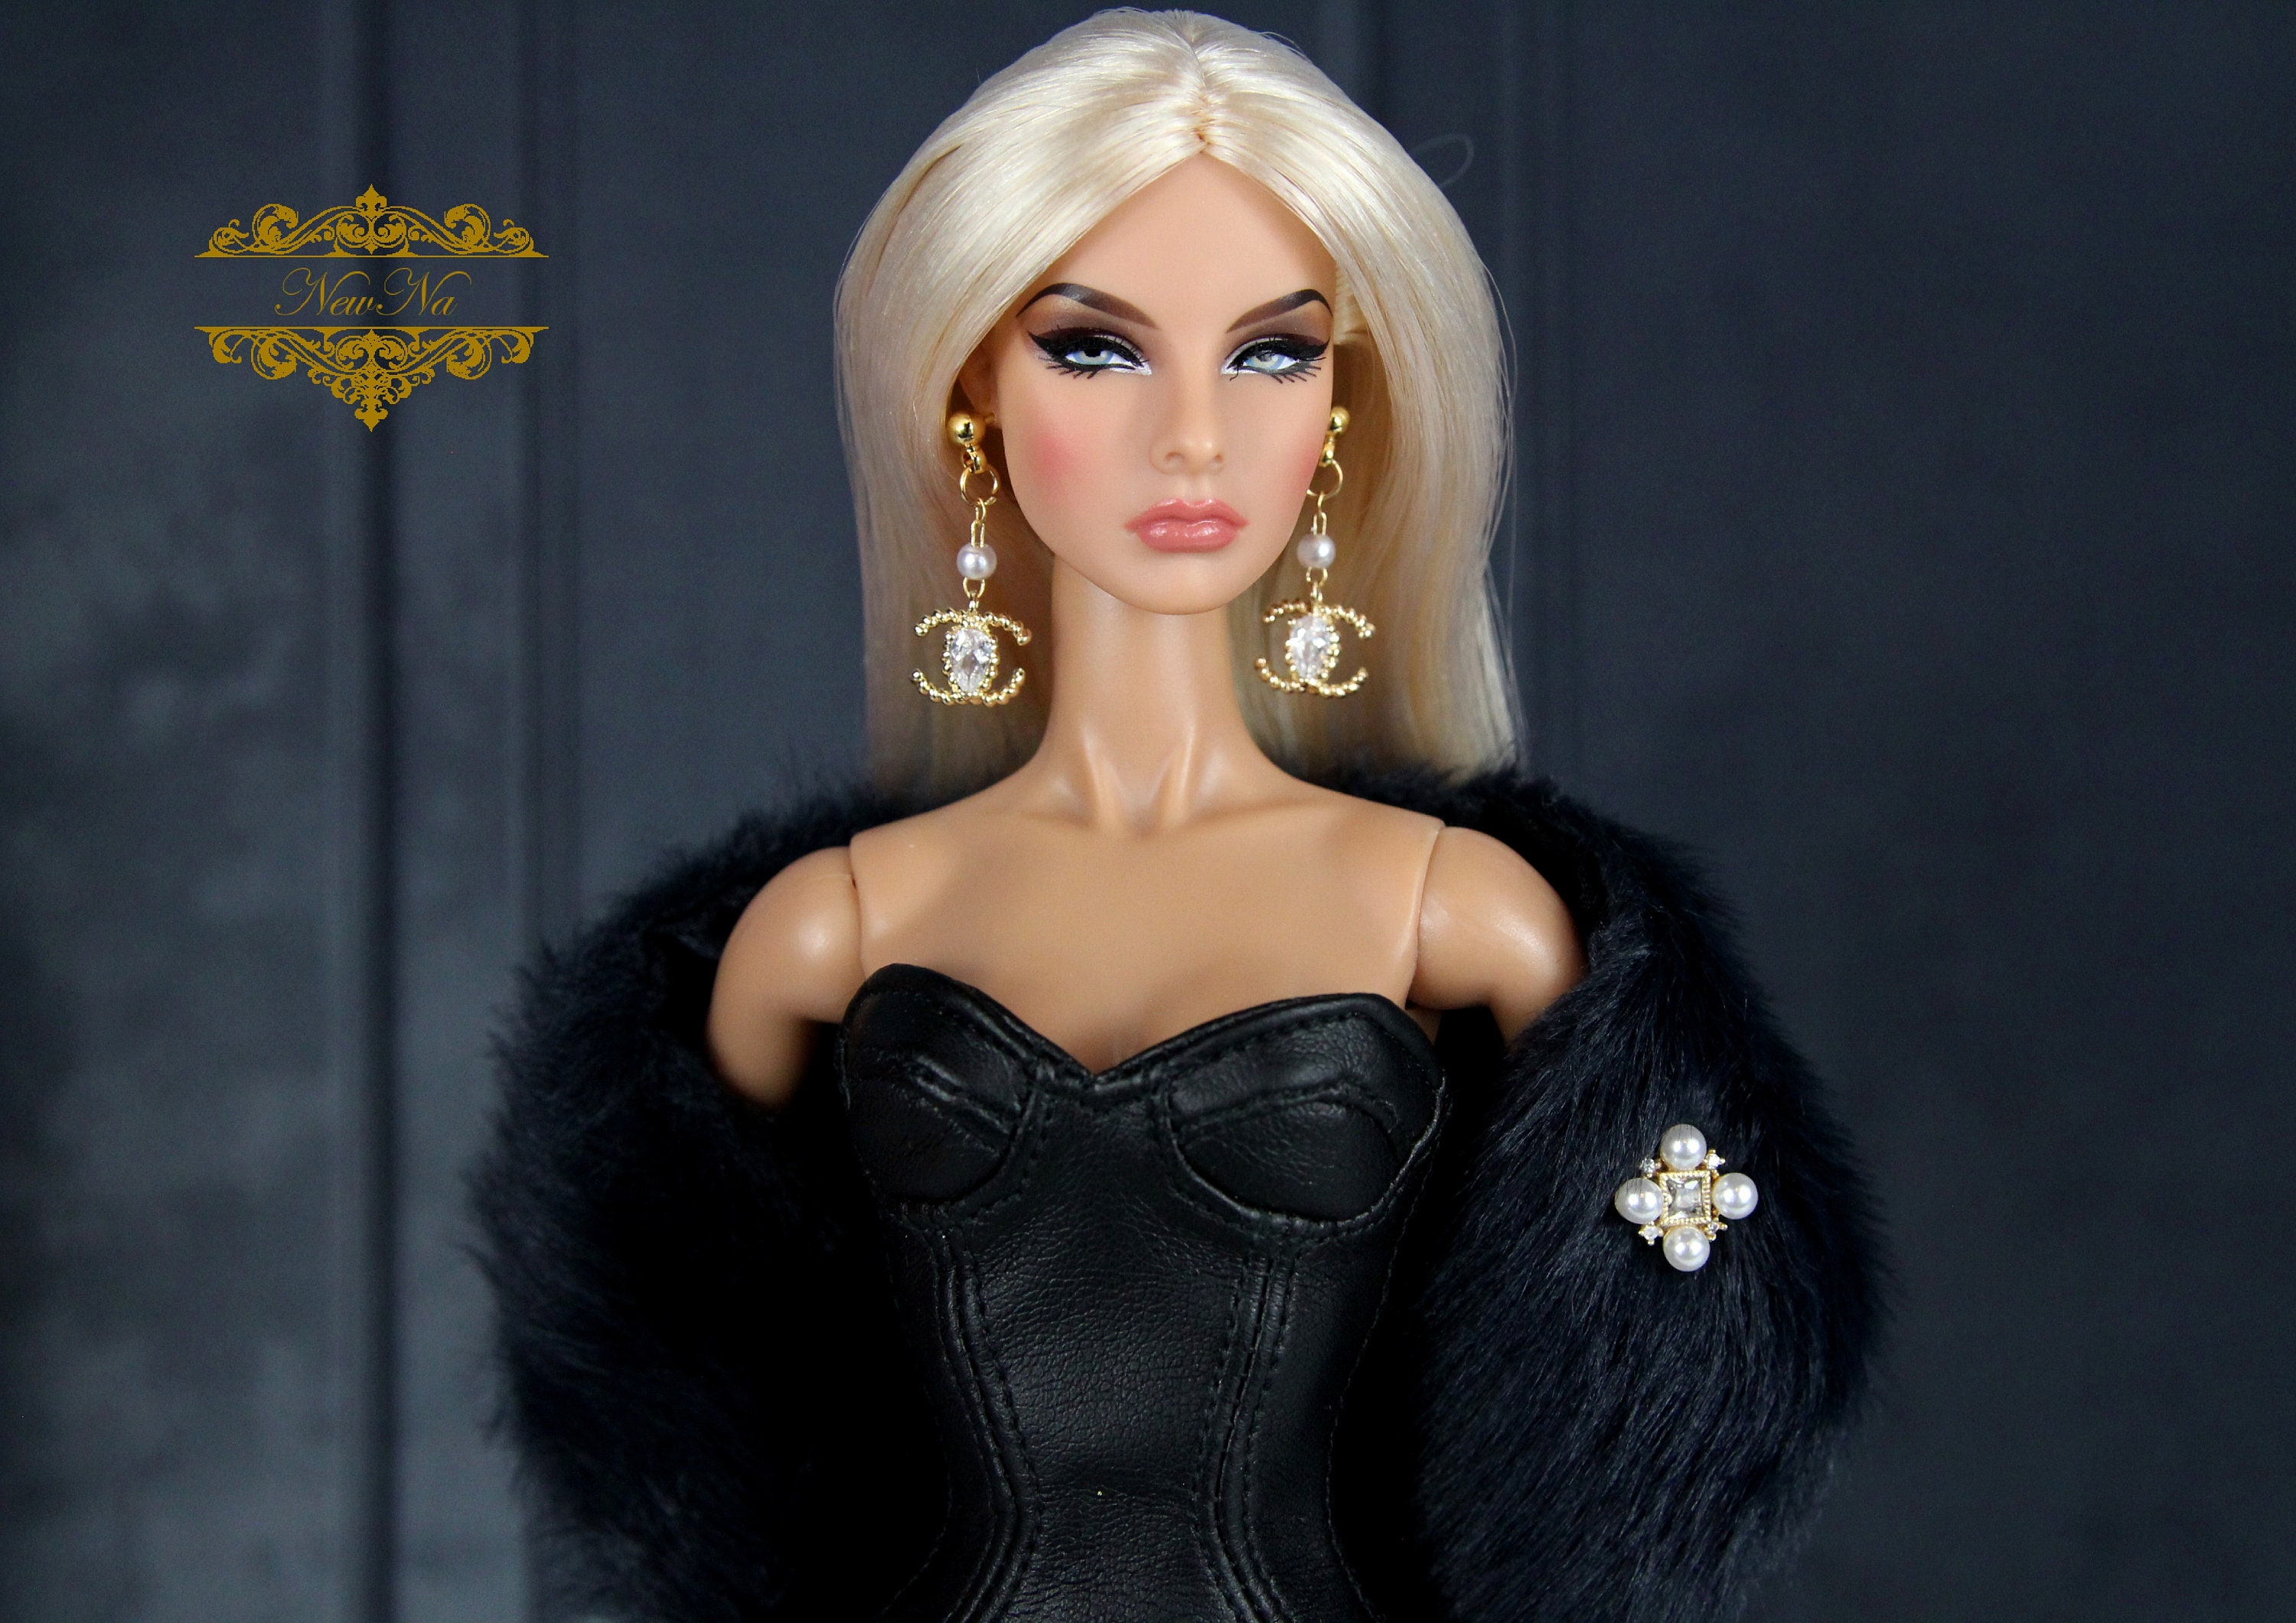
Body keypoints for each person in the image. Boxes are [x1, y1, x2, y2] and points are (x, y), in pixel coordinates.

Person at [475, 14, 1879, 1623]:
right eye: (1097, 348)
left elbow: (1614, 1404)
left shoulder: (1458, 910)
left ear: (1340, 405)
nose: (1195, 434)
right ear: (970, 387)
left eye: (1273, 352)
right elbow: (705, 1405)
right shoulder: (829, 931)